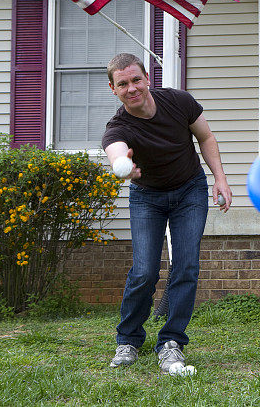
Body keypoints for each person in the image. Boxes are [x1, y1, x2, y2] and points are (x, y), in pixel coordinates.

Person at [101, 53, 232, 373]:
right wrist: (124, 167)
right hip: (148, 197)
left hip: (190, 191)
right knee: (145, 272)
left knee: (186, 267)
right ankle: (128, 340)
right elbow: (115, 152)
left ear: (147, 79)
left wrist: (220, 179)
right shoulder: (118, 127)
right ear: (113, 89)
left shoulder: (178, 101)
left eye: (135, 80)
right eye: (123, 84)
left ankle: (172, 342)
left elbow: (206, 136)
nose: (131, 88)